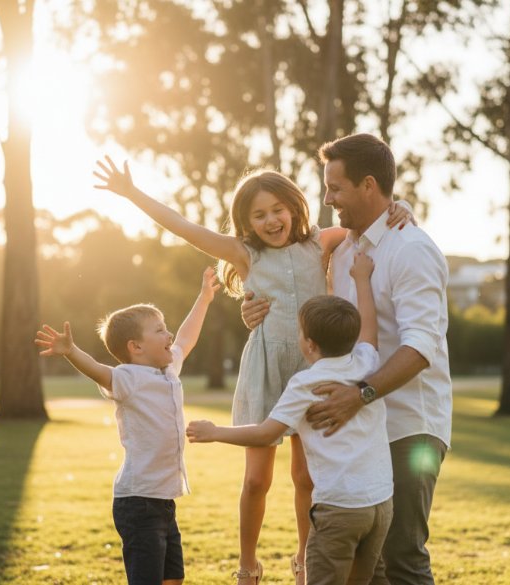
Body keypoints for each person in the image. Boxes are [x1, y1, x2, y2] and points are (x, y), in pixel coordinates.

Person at [92, 157, 414, 584]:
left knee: (306, 476)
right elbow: (187, 229)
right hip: (265, 368)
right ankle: (248, 564)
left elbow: (367, 225)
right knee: (257, 480)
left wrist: (402, 205)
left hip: (312, 368)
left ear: (294, 207)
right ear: (245, 222)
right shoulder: (245, 254)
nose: (271, 220)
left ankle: (304, 560)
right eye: (258, 215)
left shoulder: (320, 242)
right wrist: (132, 193)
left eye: (277, 210)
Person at [242, 133, 452, 585]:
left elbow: (421, 347)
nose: (327, 198)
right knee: (368, 568)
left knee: (402, 558)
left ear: (369, 185)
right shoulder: (343, 250)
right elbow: (305, 306)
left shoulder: (411, 248)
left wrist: (361, 394)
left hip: (407, 426)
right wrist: (254, 308)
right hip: (361, 432)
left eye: (335, 188)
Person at [188, 252, 393, 585]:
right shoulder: (366, 361)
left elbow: (266, 432)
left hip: (338, 509)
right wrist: (361, 280)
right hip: (381, 503)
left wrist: (215, 432)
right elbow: (369, 326)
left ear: (308, 345)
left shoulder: (306, 383)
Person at [34, 268, 221, 585]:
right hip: (138, 503)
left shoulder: (168, 368)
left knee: (173, 578)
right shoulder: (127, 378)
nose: (169, 335)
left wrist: (204, 297)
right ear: (136, 347)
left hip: (163, 501)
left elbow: (187, 337)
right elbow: (98, 371)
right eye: (160, 331)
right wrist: (71, 352)